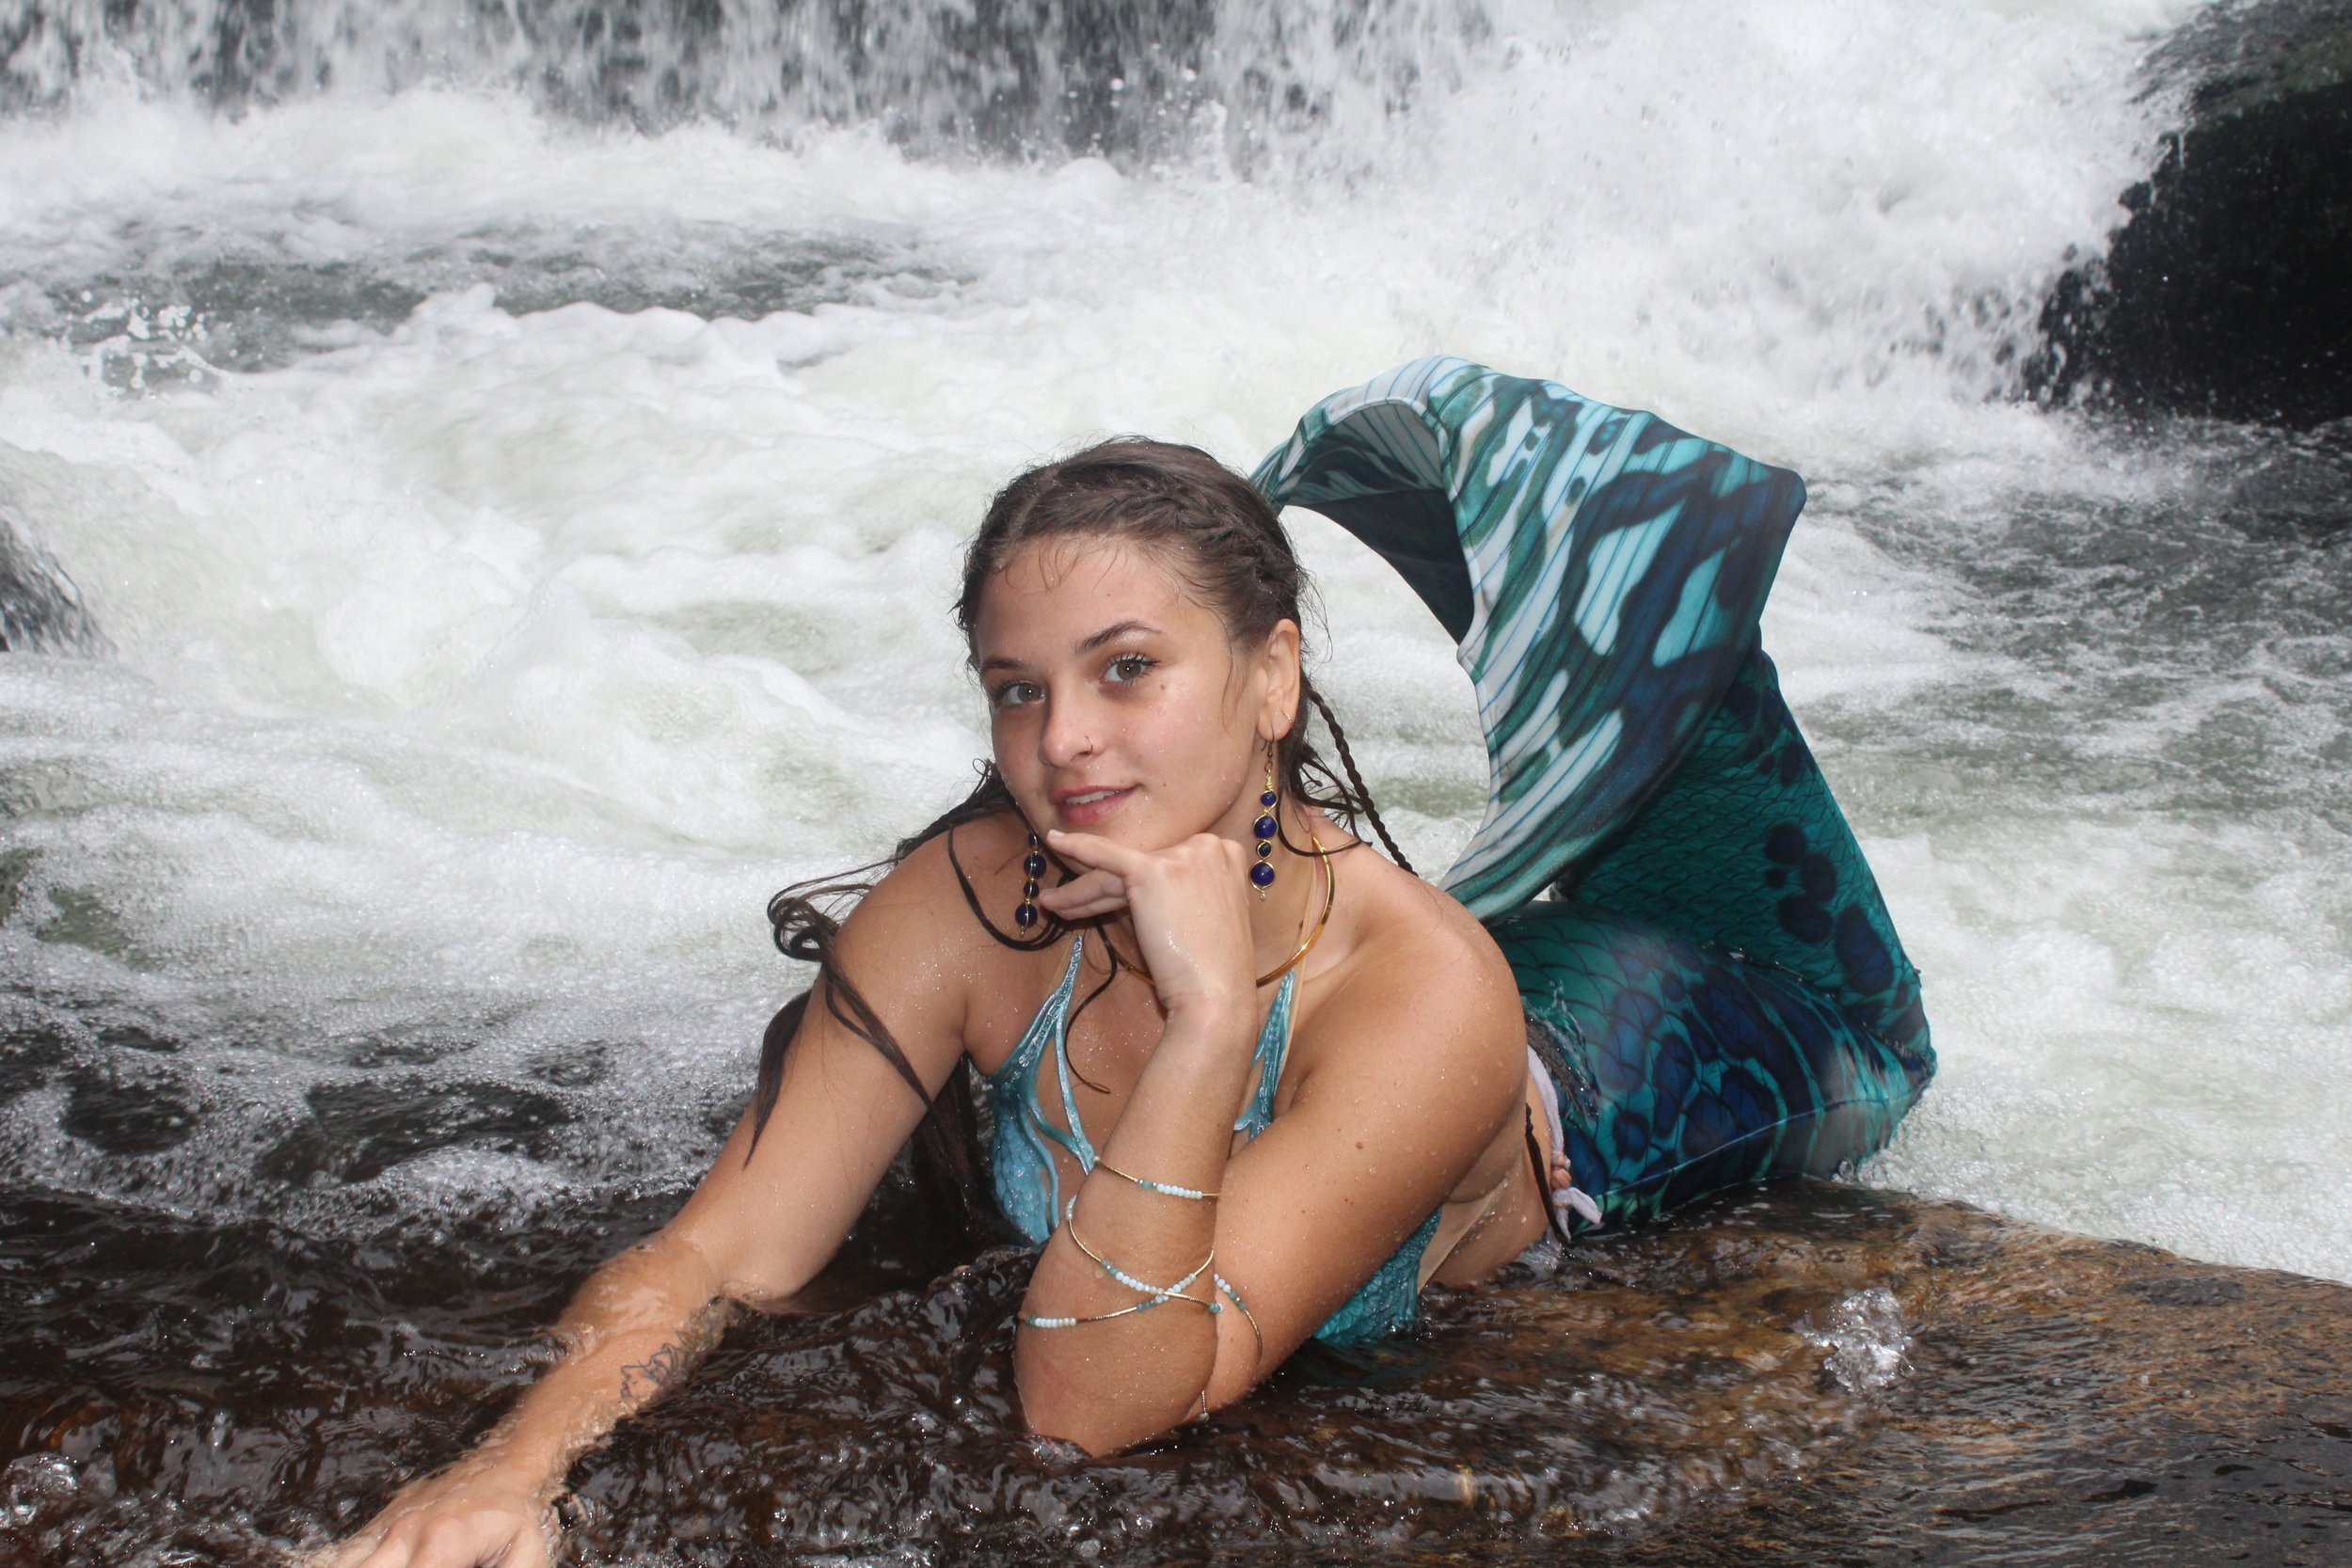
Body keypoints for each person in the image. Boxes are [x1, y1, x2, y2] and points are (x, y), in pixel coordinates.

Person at [326, 357, 1934, 1568]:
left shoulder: (1422, 991)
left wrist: (1214, 1014)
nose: (1065, 743)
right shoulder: (964, 900)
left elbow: (1087, 1408)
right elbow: (717, 1254)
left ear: (1273, 675)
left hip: (1618, 1093)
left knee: (1840, 1030)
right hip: (1362, 973)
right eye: (1017, 690)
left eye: (1128, 671)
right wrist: (502, 1472)